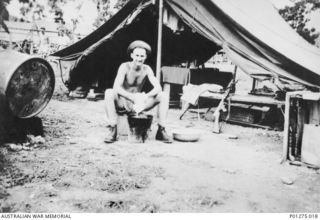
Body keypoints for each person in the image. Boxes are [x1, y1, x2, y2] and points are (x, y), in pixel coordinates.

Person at [104, 40, 172, 143]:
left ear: (145, 57)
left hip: (139, 103)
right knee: (109, 92)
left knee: (163, 95)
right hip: (124, 102)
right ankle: (113, 129)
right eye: (137, 55)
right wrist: (131, 96)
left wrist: (146, 96)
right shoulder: (124, 67)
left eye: (142, 56)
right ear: (132, 55)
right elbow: (116, 87)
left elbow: (158, 88)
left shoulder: (147, 69)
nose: (139, 59)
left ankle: (161, 130)